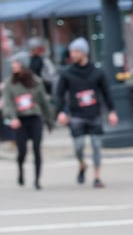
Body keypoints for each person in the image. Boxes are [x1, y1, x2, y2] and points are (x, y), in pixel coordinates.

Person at [53, 37, 118, 188]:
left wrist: (112, 111)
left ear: (84, 52)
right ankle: (82, 164)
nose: (73, 54)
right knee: (79, 146)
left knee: (96, 144)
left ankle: (97, 177)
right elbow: (60, 95)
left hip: (94, 114)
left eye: (76, 51)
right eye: (71, 52)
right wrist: (61, 112)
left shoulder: (97, 72)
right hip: (76, 115)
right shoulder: (67, 73)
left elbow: (106, 93)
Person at [4, 57, 55, 189]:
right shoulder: (10, 83)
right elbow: (8, 103)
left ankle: (37, 180)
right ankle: (20, 170)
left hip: (34, 117)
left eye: (16, 63)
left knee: (37, 149)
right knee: (22, 150)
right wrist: (12, 118)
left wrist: (50, 122)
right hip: (20, 120)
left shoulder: (36, 82)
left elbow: (44, 102)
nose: (13, 66)